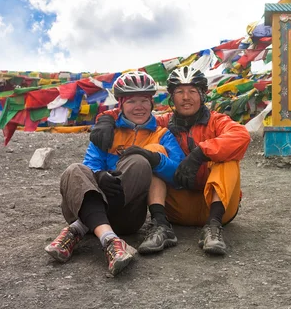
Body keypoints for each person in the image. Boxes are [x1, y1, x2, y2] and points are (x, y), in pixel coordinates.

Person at [91, 65, 251, 256]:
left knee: (226, 159)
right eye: (179, 92)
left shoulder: (217, 121)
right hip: (178, 208)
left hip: (219, 207)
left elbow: (241, 135)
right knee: (152, 151)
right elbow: (133, 114)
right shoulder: (162, 122)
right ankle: (160, 225)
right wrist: (105, 120)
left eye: (192, 91)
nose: (186, 97)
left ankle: (213, 228)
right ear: (171, 97)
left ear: (202, 95)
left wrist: (200, 153)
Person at [44, 71, 184, 276]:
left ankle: (77, 230)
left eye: (144, 100)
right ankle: (110, 241)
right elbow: (88, 169)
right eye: (132, 101)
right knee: (74, 169)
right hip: (83, 207)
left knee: (139, 161)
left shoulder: (163, 134)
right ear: (121, 104)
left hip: (126, 216)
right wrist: (100, 175)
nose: (139, 107)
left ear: (152, 103)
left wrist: (155, 159)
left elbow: (179, 176)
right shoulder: (106, 131)